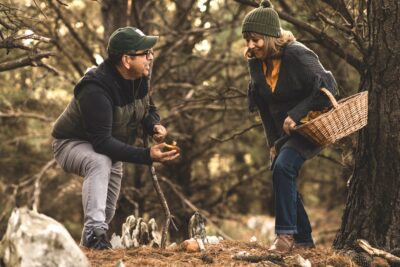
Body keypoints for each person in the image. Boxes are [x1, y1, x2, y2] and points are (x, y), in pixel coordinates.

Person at [51, 27, 179, 250]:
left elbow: (148, 109)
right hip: (70, 143)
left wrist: (153, 125)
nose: (151, 57)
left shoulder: (139, 79)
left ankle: (89, 250)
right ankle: (94, 234)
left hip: (108, 146)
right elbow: (101, 143)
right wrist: (147, 154)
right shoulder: (95, 89)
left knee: (106, 212)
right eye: (145, 53)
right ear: (127, 60)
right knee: (98, 163)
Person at [241, 1, 338, 254]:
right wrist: (272, 143)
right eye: (247, 40)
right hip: (284, 132)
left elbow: (329, 88)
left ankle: (285, 236)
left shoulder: (296, 53)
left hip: (311, 125)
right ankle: (304, 240)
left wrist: (296, 113)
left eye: (255, 39)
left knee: (284, 167)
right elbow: (264, 108)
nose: (250, 46)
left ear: (270, 36)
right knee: (279, 167)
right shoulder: (255, 62)